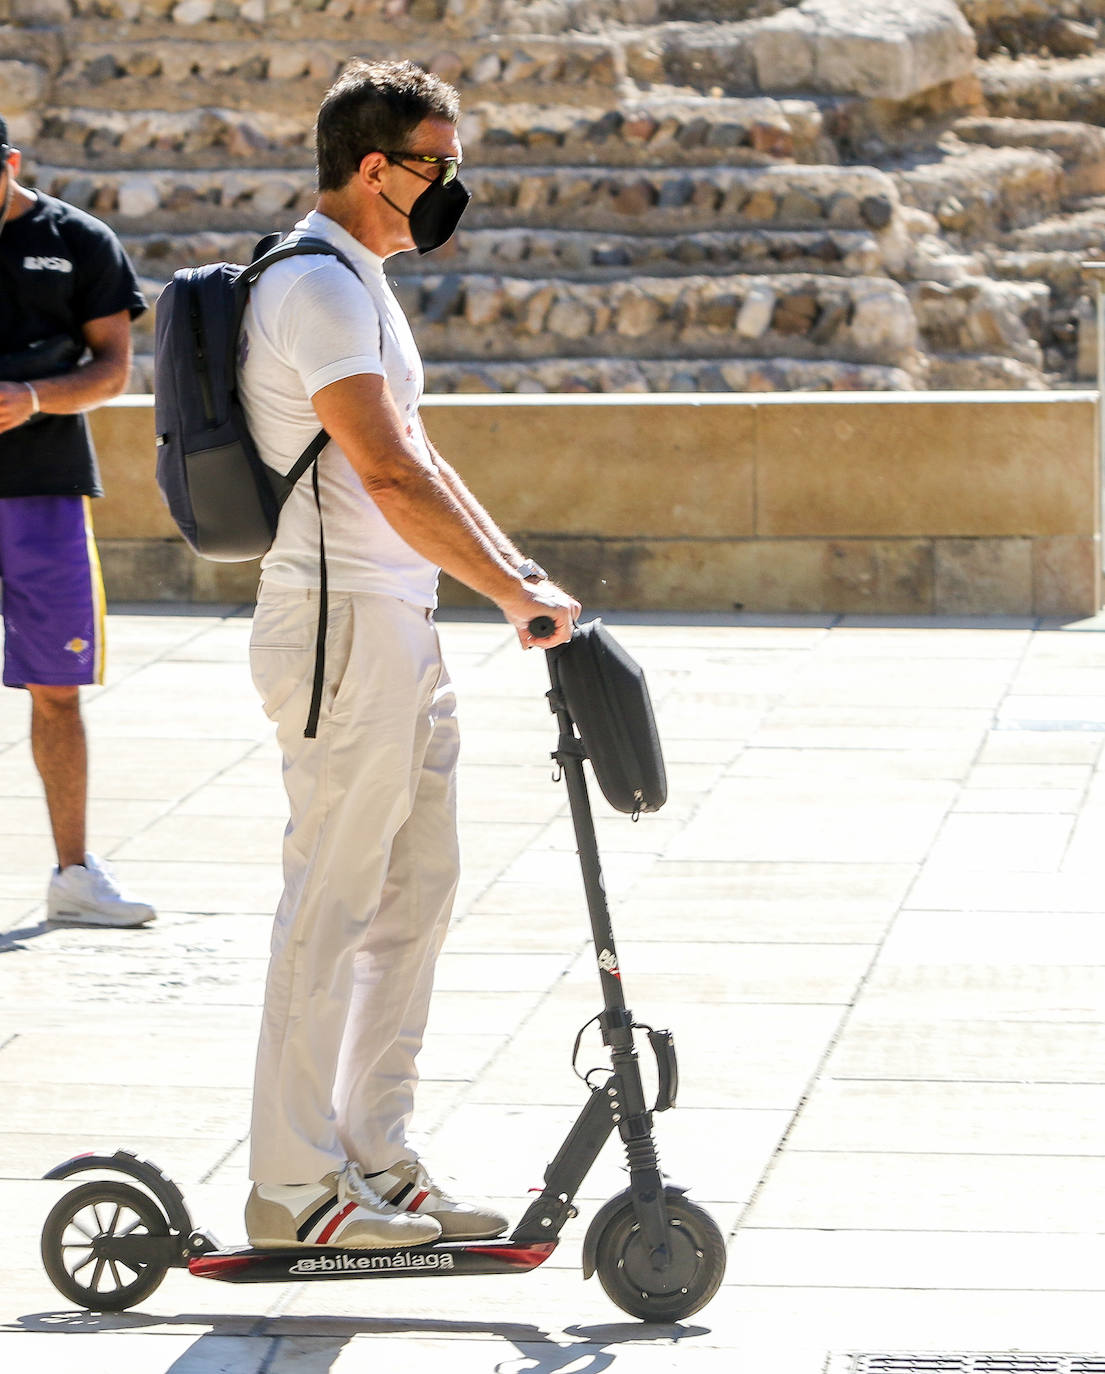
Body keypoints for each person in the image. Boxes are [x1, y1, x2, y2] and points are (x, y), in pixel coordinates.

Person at [238, 58, 580, 1252]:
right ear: (371, 167)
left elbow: (421, 465)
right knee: (330, 902)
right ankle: (290, 1186)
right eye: (436, 164)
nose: (453, 185)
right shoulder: (319, 290)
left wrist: (517, 583)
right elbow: (382, 468)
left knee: (412, 901)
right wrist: (506, 588)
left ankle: (373, 1158)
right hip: (337, 631)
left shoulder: (362, 282)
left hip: (395, 622)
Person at [0, 115, 155, 929]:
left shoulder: (78, 239)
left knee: (57, 690)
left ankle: (72, 875)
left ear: (10, 164)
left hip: (44, 490)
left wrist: (30, 398)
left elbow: (113, 370)